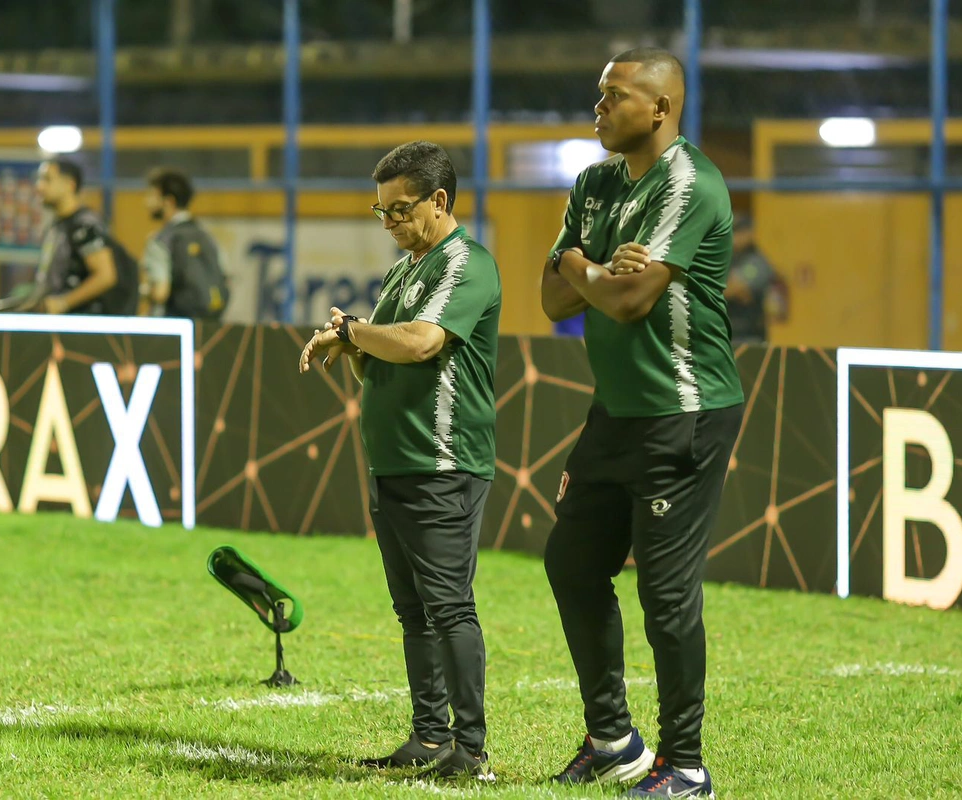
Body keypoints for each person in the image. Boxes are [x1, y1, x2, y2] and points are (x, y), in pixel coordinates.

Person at [539, 47, 746, 799]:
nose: (598, 107)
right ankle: (612, 739)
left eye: (614, 96)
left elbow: (630, 303)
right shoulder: (595, 183)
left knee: (666, 595)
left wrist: (579, 267)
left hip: (685, 414)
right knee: (571, 562)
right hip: (618, 412)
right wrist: (586, 266)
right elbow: (554, 298)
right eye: (599, 95)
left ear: (659, 108)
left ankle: (685, 766)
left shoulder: (691, 182)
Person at [298, 141, 502, 780]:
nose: (388, 223)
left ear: (439, 201)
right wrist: (351, 341)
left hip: (442, 464)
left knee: (449, 607)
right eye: (380, 211)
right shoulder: (405, 269)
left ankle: (469, 750)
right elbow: (377, 362)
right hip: (393, 464)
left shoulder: (465, 263)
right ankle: (430, 736)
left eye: (399, 210)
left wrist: (355, 331)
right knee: (414, 611)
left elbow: (419, 344)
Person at [1, 158, 139, 315]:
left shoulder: (84, 225)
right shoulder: (57, 227)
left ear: (70, 185)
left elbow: (106, 275)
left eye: (47, 179)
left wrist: (63, 303)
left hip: (80, 329)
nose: (39, 186)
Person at [142, 167, 230, 320]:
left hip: (175, 327)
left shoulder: (161, 240)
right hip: (210, 326)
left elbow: (160, 293)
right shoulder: (207, 237)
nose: (146, 202)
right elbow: (226, 279)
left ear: (168, 201)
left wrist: (144, 292)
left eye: (152, 195)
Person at [723, 215, 778, 344]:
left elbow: (734, 289)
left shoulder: (756, 262)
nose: (736, 237)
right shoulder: (729, 259)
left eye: (740, 232)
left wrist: (720, 288)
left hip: (750, 335)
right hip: (726, 332)